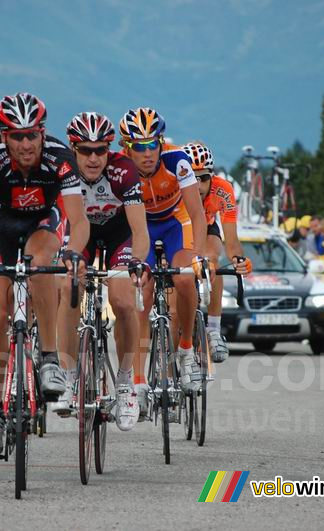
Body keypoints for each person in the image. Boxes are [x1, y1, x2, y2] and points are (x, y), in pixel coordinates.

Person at [0, 93, 89, 457]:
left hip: (43, 223)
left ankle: (48, 358)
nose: (26, 144)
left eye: (32, 135)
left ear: (43, 133)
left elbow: (78, 220)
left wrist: (74, 250)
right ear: (3, 136)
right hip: (2, 224)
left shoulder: (60, 157)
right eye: (17, 136)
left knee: (40, 262)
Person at [54, 111, 148, 431]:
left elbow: (140, 229)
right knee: (68, 290)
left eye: (101, 150)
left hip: (120, 234)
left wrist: (137, 260)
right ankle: (68, 377)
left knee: (122, 301)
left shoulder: (124, 170)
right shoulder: (63, 169)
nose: (94, 158)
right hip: (82, 235)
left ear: (110, 150)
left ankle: (125, 384)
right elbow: (58, 222)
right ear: (72, 148)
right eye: (85, 150)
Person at [118, 107, 207, 415]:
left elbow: (197, 213)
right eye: (139, 147)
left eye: (152, 143)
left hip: (174, 223)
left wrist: (198, 255)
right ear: (126, 147)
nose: (147, 153)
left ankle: (185, 350)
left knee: (184, 278)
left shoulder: (176, 161)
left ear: (161, 142)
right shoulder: (121, 168)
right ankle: (140, 382)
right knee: (141, 294)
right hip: (140, 227)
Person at [182, 141, 251, 363]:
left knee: (212, 261)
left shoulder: (223, 190)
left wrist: (239, 261)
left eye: (203, 178)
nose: (199, 184)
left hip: (208, 225)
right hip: (179, 227)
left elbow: (231, 240)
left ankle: (213, 329)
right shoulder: (175, 190)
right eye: (192, 178)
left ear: (212, 176)